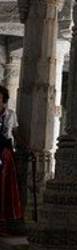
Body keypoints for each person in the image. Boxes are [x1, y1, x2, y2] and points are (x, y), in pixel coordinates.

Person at [0, 85, 23, 234]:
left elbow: (15, 133)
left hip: (6, 153)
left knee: (5, 187)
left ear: (4, 100)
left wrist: (25, 148)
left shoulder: (11, 115)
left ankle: (4, 222)